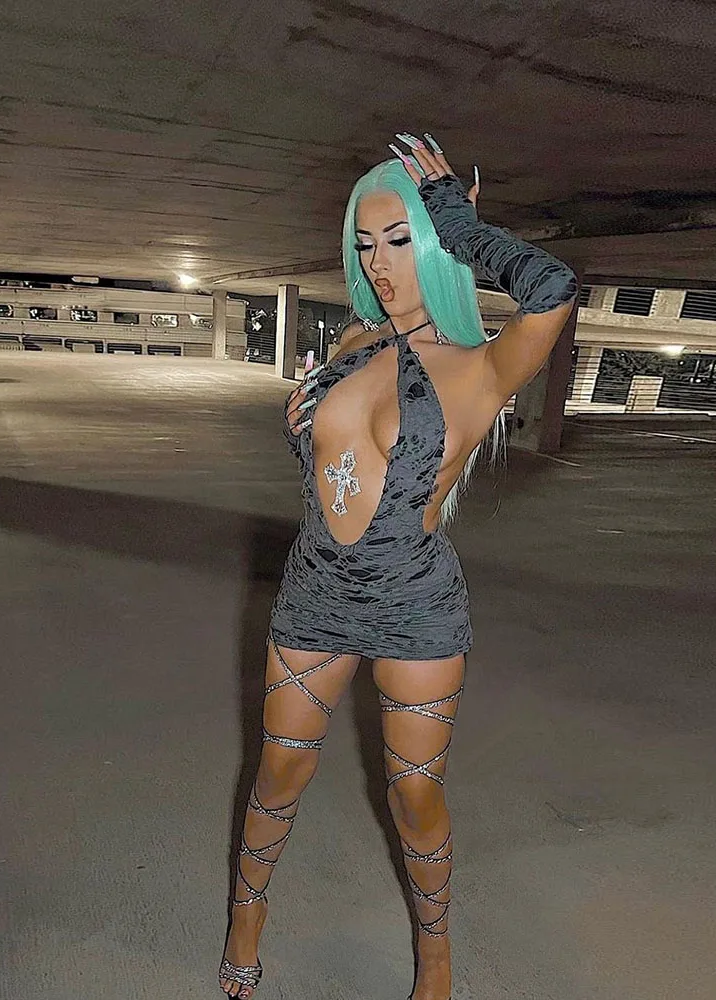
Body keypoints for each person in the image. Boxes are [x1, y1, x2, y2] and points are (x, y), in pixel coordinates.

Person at [219, 132, 578, 999]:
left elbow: (554, 290)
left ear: (440, 239)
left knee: (415, 798)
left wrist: (461, 223)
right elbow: (335, 467)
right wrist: (305, 428)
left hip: (416, 605)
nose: (378, 263)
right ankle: (245, 918)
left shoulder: (483, 367)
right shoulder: (353, 340)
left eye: (400, 238)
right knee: (278, 772)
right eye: (365, 243)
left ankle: (437, 962)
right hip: (315, 592)